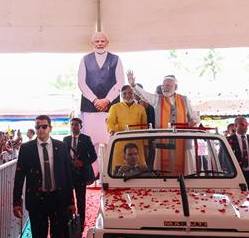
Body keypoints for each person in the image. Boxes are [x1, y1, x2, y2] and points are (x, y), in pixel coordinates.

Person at [13, 115, 75, 238]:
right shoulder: (26, 149)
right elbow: (19, 176)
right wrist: (16, 201)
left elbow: (67, 173)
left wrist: (71, 201)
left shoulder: (61, 146)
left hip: (59, 201)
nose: (40, 130)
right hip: (37, 204)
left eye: (44, 127)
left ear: (50, 128)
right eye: (37, 127)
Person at [77, 32, 125, 173]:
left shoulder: (116, 59)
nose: (99, 43)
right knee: (90, 145)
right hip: (89, 109)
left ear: (107, 42)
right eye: (97, 41)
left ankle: (112, 174)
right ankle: (93, 176)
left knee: (112, 143)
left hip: (111, 109)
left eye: (102, 41)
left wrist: (107, 100)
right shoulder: (85, 59)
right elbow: (81, 83)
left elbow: (120, 82)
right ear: (93, 43)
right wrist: (95, 100)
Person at [127, 72, 199, 129]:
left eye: (167, 85)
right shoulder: (157, 99)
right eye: (163, 86)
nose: (164, 88)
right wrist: (133, 85)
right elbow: (144, 95)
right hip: (163, 140)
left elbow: (194, 118)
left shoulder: (184, 99)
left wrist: (194, 122)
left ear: (176, 87)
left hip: (182, 140)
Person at [62, 118, 96, 224]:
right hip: (69, 174)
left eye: (76, 125)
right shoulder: (66, 139)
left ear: (81, 126)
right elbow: (64, 156)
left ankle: (81, 223)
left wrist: (82, 162)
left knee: (81, 199)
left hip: (81, 174)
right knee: (68, 198)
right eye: (72, 124)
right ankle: (69, 221)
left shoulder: (86, 139)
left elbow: (93, 156)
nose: (74, 127)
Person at [107, 85, 147, 169]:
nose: (127, 95)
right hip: (120, 142)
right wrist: (112, 130)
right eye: (124, 93)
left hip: (137, 143)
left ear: (134, 94)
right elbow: (110, 121)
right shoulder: (115, 107)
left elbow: (145, 128)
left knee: (139, 170)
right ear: (121, 95)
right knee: (119, 171)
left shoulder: (141, 108)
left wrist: (146, 144)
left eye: (130, 93)